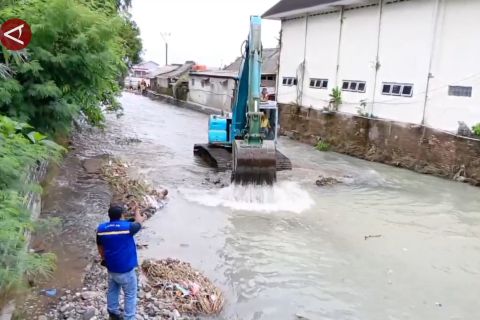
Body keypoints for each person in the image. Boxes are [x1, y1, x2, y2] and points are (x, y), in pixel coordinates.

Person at [96, 204, 145, 320]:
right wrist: (137, 210)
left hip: (111, 268)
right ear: (121, 215)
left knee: (113, 289)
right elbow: (138, 222)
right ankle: (129, 317)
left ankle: (113, 312)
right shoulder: (128, 227)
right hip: (126, 270)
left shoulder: (101, 229)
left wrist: (104, 258)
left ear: (109, 216)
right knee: (130, 294)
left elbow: (100, 247)